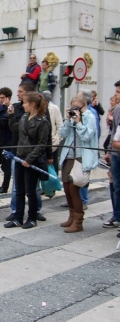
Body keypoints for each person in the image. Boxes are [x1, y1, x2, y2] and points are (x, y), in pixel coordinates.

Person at [5, 92, 49, 229]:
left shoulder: (43, 122)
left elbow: (42, 144)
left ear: (33, 104)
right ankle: (18, 218)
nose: (22, 105)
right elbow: (16, 130)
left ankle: (32, 218)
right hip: (19, 157)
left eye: (25, 102)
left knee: (30, 191)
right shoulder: (24, 116)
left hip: (32, 160)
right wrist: (11, 116)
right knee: (19, 190)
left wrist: (29, 159)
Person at [58, 96, 98, 232]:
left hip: (81, 157)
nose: (74, 110)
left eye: (76, 107)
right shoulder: (71, 117)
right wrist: (68, 120)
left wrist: (79, 122)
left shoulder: (90, 117)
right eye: (72, 107)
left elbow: (87, 136)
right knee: (66, 188)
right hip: (68, 156)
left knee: (74, 189)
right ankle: (71, 216)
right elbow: (62, 133)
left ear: (83, 106)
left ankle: (78, 222)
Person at [104, 80, 120, 228]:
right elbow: (113, 132)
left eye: (118, 92)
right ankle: (117, 216)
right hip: (116, 155)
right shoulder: (117, 110)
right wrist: (109, 151)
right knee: (115, 186)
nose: (116, 95)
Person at [42, 90, 63, 174]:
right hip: (43, 142)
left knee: (53, 165)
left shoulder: (55, 108)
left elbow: (60, 125)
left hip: (53, 142)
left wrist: (58, 139)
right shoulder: (39, 107)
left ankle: (53, 183)